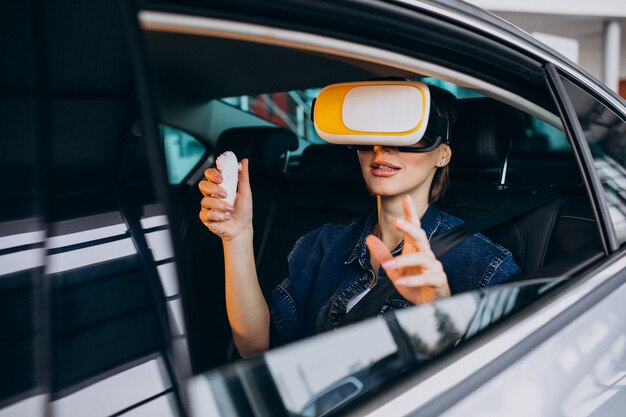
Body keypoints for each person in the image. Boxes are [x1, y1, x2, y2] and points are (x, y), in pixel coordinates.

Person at [198, 86, 521, 357]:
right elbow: (256, 347)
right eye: (370, 132)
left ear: (443, 154)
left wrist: (438, 313)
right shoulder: (320, 245)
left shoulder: (485, 267)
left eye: (409, 134)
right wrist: (237, 238)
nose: (382, 147)